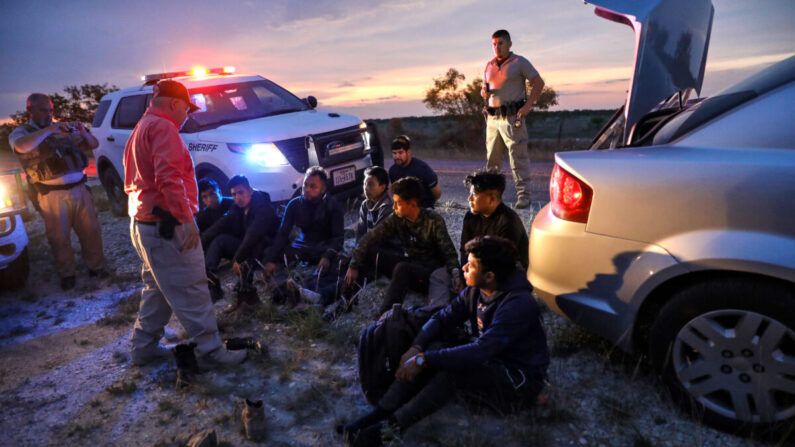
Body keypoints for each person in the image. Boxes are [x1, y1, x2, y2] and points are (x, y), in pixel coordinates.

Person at [338, 236, 549, 446]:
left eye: (472, 265)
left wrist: (424, 360)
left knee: (454, 369)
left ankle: (390, 429)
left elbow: (481, 351)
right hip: (490, 361)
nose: (464, 267)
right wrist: (416, 348)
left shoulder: (517, 304)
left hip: (517, 381)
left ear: (490, 275)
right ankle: (380, 413)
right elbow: (441, 318)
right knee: (435, 347)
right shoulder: (476, 290)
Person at [123, 79, 245, 367]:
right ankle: (211, 351)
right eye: (186, 109)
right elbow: (169, 178)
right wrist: (186, 220)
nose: (187, 116)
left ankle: (143, 349)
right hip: (166, 227)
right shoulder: (163, 127)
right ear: (175, 103)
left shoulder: (141, 127)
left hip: (144, 225)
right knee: (192, 288)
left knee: (157, 289)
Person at [8, 93, 108, 290]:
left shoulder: (62, 130)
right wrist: (49, 130)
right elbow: (21, 147)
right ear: (31, 111)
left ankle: (96, 268)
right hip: (51, 194)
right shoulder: (22, 132)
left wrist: (82, 131)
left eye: (51, 110)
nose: (49, 114)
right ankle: (67, 274)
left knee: (91, 232)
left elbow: (93, 144)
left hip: (80, 189)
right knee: (59, 237)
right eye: (44, 110)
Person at [345, 177, 461, 315]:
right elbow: (370, 238)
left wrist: (455, 274)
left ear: (412, 204)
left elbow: (449, 253)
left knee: (403, 268)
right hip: (412, 263)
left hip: (429, 274)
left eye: (397, 203)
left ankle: (384, 316)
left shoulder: (433, 220)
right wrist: (354, 264)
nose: (393, 207)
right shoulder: (397, 218)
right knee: (369, 251)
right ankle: (345, 301)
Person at [482, 29, 546, 209]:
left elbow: (538, 83)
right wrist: (484, 94)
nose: (497, 47)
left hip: (512, 118)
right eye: (494, 44)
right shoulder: (489, 65)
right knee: (492, 161)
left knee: (517, 158)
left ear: (509, 44)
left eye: (500, 43)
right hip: (493, 119)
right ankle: (492, 196)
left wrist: (528, 106)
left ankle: (523, 195)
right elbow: (485, 88)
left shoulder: (519, 62)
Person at [263, 166, 345, 306]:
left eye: (313, 186)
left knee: (339, 265)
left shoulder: (333, 205)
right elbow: (283, 233)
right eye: (305, 185)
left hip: (323, 248)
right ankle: (283, 287)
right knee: (270, 252)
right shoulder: (294, 204)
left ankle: (304, 291)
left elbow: (338, 238)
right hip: (302, 247)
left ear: (323, 189)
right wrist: (271, 259)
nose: (307, 189)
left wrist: (327, 256)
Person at [201, 175, 277, 307]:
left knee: (255, 246)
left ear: (250, 191)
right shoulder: (237, 207)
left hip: (267, 247)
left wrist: (237, 259)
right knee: (220, 240)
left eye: (241, 192)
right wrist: (197, 243)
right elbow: (221, 224)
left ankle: (248, 285)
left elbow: (254, 234)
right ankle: (211, 280)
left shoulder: (262, 206)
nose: (237, 197)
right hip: (249, 247)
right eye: (234, 194)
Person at [461, 168, 529, 269]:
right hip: (477, 272)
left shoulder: (508, 222)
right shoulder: (470, 217)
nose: (469, 199)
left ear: (491, 199)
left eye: (474, 195)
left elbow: (504, 264)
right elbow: (464, 252)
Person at [353, 166, 404, 279]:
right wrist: (355, 252)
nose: (366, 188)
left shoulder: (389, 207)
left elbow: (373, 238)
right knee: (346, 258)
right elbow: (360, 234)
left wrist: (355, 259)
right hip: (373, 249)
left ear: (382, 187)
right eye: (365, 184)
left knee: (363, 256)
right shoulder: (365, 204)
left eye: (371, 184)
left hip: (392, 253)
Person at [388, 135, 441, 208]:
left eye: (400, 153)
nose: (397, 156)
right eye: (394, 153)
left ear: (408, 152)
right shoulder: (392, 171)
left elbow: (437, 192)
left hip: (423, 207)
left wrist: (428, 204)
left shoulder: (421, 168)